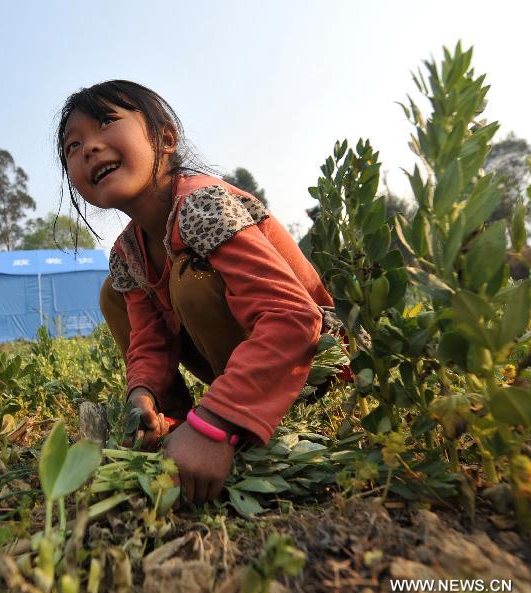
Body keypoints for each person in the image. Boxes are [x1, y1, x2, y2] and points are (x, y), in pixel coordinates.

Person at [56, 80, 334, 505]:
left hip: (312, 363)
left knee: (191, 278)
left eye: (107, 122)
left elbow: (294, 319)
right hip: (244, 360)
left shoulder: (202, 204)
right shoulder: (127, 251)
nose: (89, 148)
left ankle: (228, 418)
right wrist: (142, 394)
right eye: (73, 146)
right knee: (115, 291)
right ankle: (173, 422)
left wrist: (216, 425)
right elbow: (149, 341)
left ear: (165, 139)